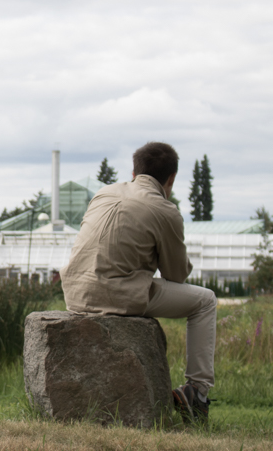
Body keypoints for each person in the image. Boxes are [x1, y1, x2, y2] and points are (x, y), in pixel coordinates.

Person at [60, 141, 216, 423]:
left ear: (134, 171)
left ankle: (196, 395)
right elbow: (176, 276)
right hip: (117, 294)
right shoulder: (165, 210)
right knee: (205, 301)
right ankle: (198, 393)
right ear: (171, 179)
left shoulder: (105, 192)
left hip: (74, 292)